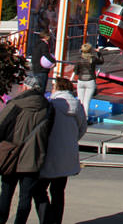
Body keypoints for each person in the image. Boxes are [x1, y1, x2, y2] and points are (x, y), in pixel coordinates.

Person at [0, 76, 54, 224]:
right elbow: (48, 132)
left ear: (25, 87)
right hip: (34, 157)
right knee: (26, 196)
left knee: (6, 193)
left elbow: (1, 126)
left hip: (11, 155)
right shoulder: (48, 107)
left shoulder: (15, 104)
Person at [37, 78, 86, 224]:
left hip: (50, 152)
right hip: (68, 153)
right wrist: (71, 140)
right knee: (58, 192)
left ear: (58, 88)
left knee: (39, 189)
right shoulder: (77, 105)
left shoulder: (51, 105)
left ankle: (46, 219)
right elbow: (82, 128)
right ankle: (56, 220)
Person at [73, 43, 104, 120]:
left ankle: (78, 117)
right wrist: (98, 52)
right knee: (87, 101)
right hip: (90, 81)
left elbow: (75, 71)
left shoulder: (79, 59)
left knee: (80, 100)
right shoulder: (92, 59)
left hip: (81, 80)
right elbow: (101, 61)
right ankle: (85, 119)